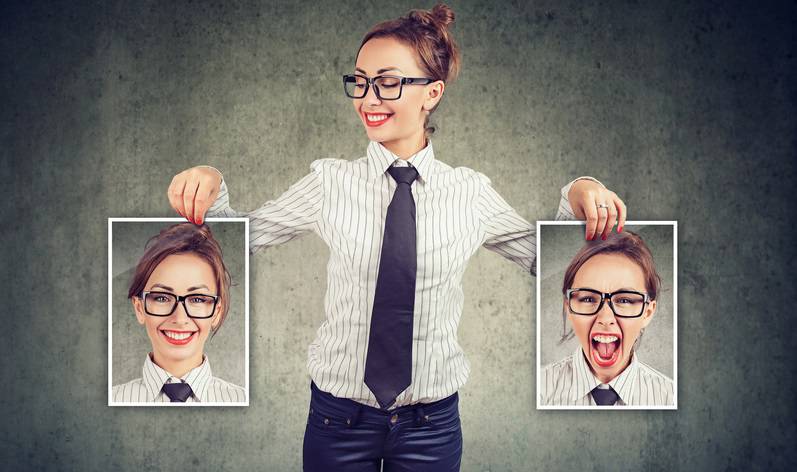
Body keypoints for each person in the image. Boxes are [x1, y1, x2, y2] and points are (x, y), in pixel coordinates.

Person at [167, 3, 626, 469]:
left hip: (431, 427)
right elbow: (234, 242)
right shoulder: (330, 183)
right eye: (360, 81)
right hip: (337, 420)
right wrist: (208, 181)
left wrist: (579, 190)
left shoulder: (470, 192)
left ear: (432, 92)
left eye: (387, 82)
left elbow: (552, 262)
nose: (368, 98)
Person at [112, 223, 246, 403]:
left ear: (216, 311)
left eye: (197, 299)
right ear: (139, 308)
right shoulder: (110, 400)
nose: (180, 319)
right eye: (161, 298)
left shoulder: (241, 399)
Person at [539, 230, 674, 407]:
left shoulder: (670, 398)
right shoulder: (539, 391)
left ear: (647, 313)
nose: (605, 318)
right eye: (588, 299)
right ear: (568, 307)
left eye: (624, 300)